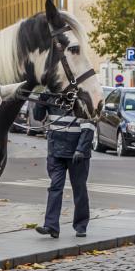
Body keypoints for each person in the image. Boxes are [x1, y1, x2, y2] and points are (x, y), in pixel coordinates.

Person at [33, 98, 93, 238]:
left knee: (79, 189)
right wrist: (42, 98)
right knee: (55, 187)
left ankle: (81, 225)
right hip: (56, 151)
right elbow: (37, 116)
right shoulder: (51, 96)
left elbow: (89, 126)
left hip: (77, 154)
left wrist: (81, 149)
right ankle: (51, 226)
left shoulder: (82, 97)